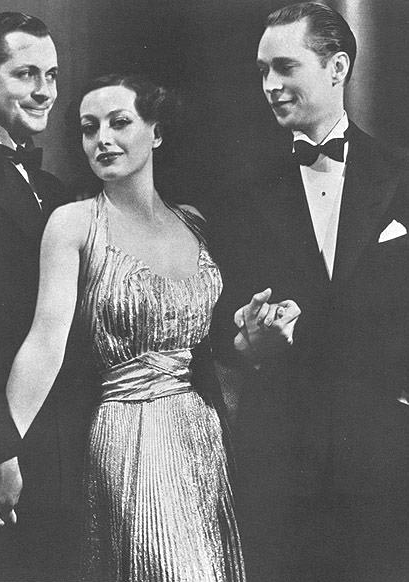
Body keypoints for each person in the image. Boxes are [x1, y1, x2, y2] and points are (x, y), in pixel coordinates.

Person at [0, 72, 253, 581]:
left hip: (202, 436)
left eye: (119, 123)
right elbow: (44, 343)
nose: (103, 140)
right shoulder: (74, 223)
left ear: (156, 132)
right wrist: (0, 446)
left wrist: (254, 334)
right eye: (89, 128)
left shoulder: (193, 222)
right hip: (129, 435)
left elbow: (218, 347)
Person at [211, 3, 409, 581]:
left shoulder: (400, 174)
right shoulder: (240, 189)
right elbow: (220, 322)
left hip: (385, 451)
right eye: (262, 71)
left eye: (284, 67)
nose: (270, 85)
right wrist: (247, 338)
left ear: (337, 67)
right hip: (280, 456)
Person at [0, 12, 82, 582]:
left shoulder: (54, 190)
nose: (46, 91)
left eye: (52, 76)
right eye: (27, 74)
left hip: (65, 447)